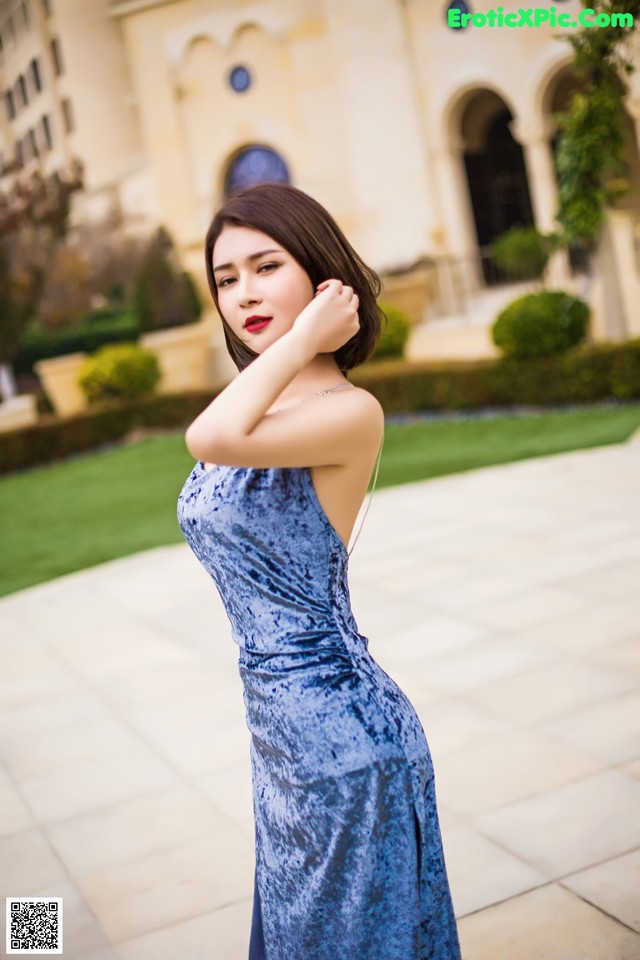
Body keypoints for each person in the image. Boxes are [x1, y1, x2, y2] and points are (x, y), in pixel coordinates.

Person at [176, 182, 461, 960]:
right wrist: (286, 352)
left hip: (348, 742)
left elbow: (206, 438)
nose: (243, 294)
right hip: (281, 747)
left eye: (265, 266)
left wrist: (301, 343)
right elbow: (224, 430)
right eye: (225, 279)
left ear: (319, 275)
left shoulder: (349, 411)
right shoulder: (261, 407)